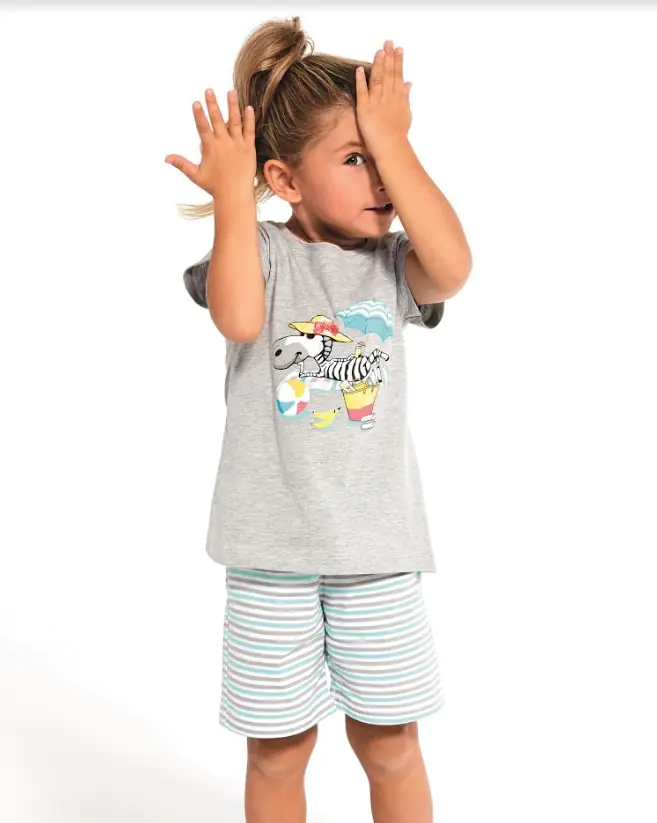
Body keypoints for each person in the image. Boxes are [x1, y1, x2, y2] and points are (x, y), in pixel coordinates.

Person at [165, 15, 471, 823]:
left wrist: (391, 143)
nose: (381, 180)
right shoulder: (261, 252)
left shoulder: (392, 265)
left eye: (385, 158)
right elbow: (238, 317)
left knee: (390, 744)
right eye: (355, 158)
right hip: (270, 557)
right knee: (277, 751)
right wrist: (234, 197)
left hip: (377, 554)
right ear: (285, 179)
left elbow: (452, 268)